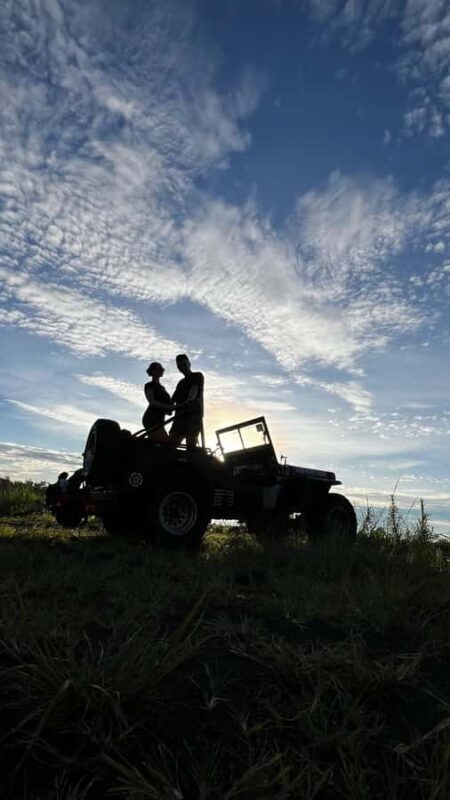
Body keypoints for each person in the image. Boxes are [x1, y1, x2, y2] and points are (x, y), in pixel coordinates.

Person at [169, 354, 204, 447]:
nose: (182, 367)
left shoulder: (197, 376)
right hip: (179, 418)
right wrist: (167, 408)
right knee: (170, 446)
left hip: (192, 417)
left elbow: (194, 390)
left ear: (189, 363)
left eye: (184, 364)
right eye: (179, 366)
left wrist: (188, 400)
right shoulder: (180, 383)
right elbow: (172, 400)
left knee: (191, 446)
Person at [142, 362, 173, 441]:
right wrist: (168, 407)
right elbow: (152, 402)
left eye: (161, 369)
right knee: (165, 443)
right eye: (158, 369)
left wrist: (171, 408)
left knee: (154, 442)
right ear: (152, 371)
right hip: (151, 419)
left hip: (160, 421)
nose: (161, 370)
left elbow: (168, 406)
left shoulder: (162, 388)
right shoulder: (149, 385)